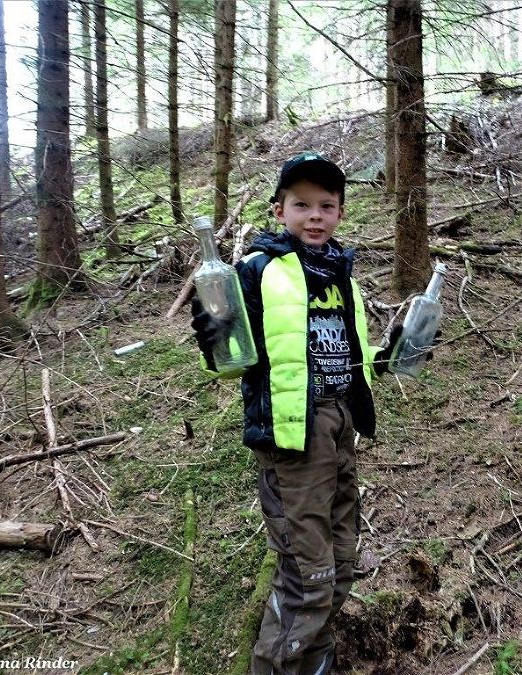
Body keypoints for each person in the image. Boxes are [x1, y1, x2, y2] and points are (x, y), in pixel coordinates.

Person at [190, 152, 408, 674]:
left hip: (341, 431)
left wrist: (393, 352)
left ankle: (317, 661)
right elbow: (229, 359)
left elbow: (351, 358)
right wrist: (214, 336)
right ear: (279, 209)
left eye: (326, 205)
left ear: (340, 213)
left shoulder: (342, 277)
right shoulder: (256, 270)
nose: (315, 215)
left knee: (342, 562)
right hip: (293, 438)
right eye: (302, 204)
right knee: (309, 574)